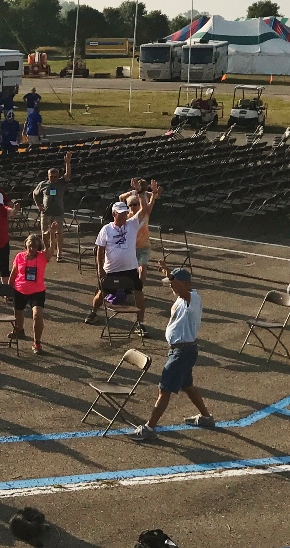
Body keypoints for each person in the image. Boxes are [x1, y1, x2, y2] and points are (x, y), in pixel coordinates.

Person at [131, 266, 215, 441]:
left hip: (182, 352)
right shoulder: (182, 298)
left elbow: (183, 292)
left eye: (173, 284)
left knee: (164, 389)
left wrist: (170, 275)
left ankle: (149, 428)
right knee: (187, 386)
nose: (171, 287)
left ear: (184, 283)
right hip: (181, 351)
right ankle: (206, 417)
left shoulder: (193, 298)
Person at [86, 183, 161, 334]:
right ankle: (93, 313)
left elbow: (144, 210)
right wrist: (100, 269)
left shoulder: (132, 224)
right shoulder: (106, 229)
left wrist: (141, 193)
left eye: (124, 213)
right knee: (101, 293)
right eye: (120, 213)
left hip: (130, 270)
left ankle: (140, 323)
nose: (123, 215)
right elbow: (100, 250)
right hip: (111, 270)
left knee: (139, 293)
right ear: (114, 214)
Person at [8, 234, 50, 354]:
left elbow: (51, 248)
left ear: (38, 247)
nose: (32, 249)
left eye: (35, 246)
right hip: (19, 289)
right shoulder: (19, 256)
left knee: (37, 314)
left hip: (37, 292)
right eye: (30, 246)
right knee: (18, 312)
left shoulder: (42, 257)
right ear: (26, 245)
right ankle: (19, 330)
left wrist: (51, 234)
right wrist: (8, 288)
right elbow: (14, 272)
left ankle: (37, 342)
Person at [32, 152, 74, 262]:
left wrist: (68, 163)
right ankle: (47, 249)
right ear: (48, 176)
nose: (54, 178)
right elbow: (35, 194)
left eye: (56, 176)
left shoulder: (61, 183)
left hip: (58, 212)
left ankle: (59, 252)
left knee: (59, 233)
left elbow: (68, 175)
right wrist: (38, 205)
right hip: (46, 212)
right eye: (52, 176)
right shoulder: (43, 184)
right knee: (45, 232)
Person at [120, 179, 156, 283]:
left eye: (135, 204)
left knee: (142, 268)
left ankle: (139, 289)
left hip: (144, 247)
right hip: (131, 247)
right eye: (130, 205)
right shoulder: (125, 218)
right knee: (130, 270)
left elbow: (152, 202)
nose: (133, 206)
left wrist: (154, 194)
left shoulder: (145, 213)